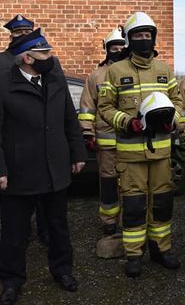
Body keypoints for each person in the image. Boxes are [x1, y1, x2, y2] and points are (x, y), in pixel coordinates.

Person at [0, 29, 86, 303]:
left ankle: (62, 270)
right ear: (27, 57)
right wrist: (0, 169)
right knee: (15, 233)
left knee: (58, 226)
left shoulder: (55, 80)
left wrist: (78, 154)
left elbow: (69, 121)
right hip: (19, 172)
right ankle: (12, 281)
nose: (51, 56)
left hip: (55, 170)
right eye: (44, 53)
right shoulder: (4, 85)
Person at [98, 12, 183, 277]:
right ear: (128, 40)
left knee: (162, 203)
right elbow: (105, 107)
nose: (143, 40)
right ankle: (134, 254)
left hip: (161, 152)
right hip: (130, 154)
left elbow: (178, 102)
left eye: (147, 35)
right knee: (134, 207)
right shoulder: (115, 71)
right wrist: (126, 122)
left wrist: (173, 120)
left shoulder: (165, 69)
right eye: (138, 36)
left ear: (154, 38)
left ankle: (162, 249)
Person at [1, 15, 51, 246]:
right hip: (18, 149)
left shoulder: (48, 62)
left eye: (27, 32)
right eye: (19, 33)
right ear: (11, 36)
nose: (24, 35)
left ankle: (44, 233)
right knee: (15, 214)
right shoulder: (3, 62)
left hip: (44, 149)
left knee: (48, 208)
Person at [79, 26, 126, 235]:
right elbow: (87, 107)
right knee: (108, 184)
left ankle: (130, 221)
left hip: (131, 140)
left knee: (131, 184)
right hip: (106, 143)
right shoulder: (96, 76)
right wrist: (88, 133)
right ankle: (109, 220)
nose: (117, 50)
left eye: (120, 46)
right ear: (106, 49)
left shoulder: (131, 72)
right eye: (113, 47)